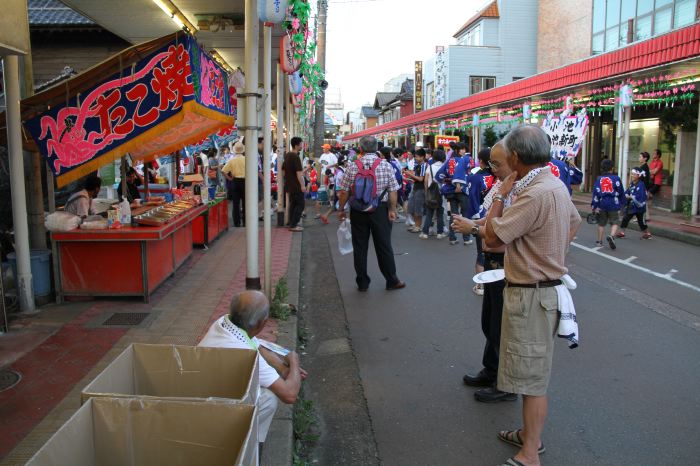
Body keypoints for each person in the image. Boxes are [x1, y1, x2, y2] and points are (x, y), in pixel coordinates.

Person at [453, 126, 581, 466]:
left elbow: (494, 240)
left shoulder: (532, 193)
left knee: (532, 378)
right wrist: (552, 253)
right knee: (529, 372)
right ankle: (528, 435)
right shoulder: (553, 184)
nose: (501, 162)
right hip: (542, 289)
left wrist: (498, 196)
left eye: (505, 155)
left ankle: (530, 451)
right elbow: (575, 222)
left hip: (531, 294)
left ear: (516, 157)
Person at [199, 290, 304, 449]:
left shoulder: (224, 322)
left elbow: (256, 343)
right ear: (263, 323)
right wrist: (294, 361)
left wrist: (282, 369)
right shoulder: (246, 354)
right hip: (214, 410)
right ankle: (245, 443)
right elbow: (289, 395)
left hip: (204, 391)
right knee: (268, 398)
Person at [454, 141, 516, 402]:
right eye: (491, 163)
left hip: (507, 265)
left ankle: (506, 383)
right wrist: (474, 223)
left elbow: (500, 233)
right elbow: (490, 218)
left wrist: (474, 228)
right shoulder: (501, 185)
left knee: (502, 326)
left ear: (516, 160)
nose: (492, 168)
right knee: (490, 321)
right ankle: (491, 370)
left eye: (496, 163)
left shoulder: (525, 189)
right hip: (493, 262)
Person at [337, 136, 405, 292]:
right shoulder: (385, 165)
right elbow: (393, 190)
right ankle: (391, 280)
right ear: (377, 149)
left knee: (360, 246)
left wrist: (341, 209)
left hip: (358, 210)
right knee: (384, 245)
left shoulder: (353, 166)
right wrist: (392, 210)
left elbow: (344, 191)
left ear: (360, 149)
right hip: (380, 209)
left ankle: (362, 282)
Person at [466, 147, 495, 295]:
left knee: (482, 252)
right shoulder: (501, 178)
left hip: (481, 217)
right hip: (500, 217)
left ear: (481, 161)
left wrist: (471, 220)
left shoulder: (475, 177)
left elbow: (472, 200)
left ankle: (481, 286)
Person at [436, 142, 472, 245]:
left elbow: (440, 175)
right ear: (457, 150)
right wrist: (459, 185)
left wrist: (446, 182)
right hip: (462, 190)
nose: (464, 151)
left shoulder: (449, 161)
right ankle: (466, 238)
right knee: (465, 214)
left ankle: (452, 237)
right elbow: (465, 173)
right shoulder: (464, 160)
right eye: (462, 149)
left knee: (454, 214)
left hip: (451, 191)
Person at [591, 158, 625, 249]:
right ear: (612, 168)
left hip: (602, 202)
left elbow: (595, 193)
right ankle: (611, 236)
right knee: (615, 222)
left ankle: (599, 241)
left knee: (601, 223)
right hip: (613, 202)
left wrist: (594, 206)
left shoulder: (599, 179)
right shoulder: (616, 178)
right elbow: (621, 191)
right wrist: (623, 204)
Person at [617, 168, 652, 240]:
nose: (632, 175)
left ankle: (647, 233)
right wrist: (626, 195)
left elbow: (642, 197)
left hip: (640, 207)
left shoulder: (641, 185)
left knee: (641, 222)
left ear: (638, 175)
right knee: (625, 218)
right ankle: (622, 232)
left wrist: (631, 197)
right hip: (632, 206)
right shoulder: (632, 184)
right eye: (632, 174)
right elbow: (627, 191)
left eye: (633, 174)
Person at [419, 149, 446, 240]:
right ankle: (440, 233)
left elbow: (426, 181)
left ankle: (425, 233)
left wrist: (427, 192)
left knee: (429, 214)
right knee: (440, 214)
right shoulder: (444, 167)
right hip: (441, 193)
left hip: (431, 193)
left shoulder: (430, 167)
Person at [282, 137, 306, 232]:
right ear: (296, 145)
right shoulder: (295, 157)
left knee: (293, 204)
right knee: (300, 204)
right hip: (296, 186)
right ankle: (293, 225)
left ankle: (291, 222)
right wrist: (302, 185)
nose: (302, 146)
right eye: (301, 144)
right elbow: (299, 173)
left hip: (289, 184)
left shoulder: (288, 155)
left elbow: (283, 170)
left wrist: (287, 179)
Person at [222, 141, 247, 228]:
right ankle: (245, 222)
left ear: (235, 150)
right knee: (245, 203)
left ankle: (237, 223)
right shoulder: (246, 159)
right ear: (243, 150)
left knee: (235, 204)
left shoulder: (231, 160)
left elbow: (223, 171)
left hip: (235, 182)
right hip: (245, 182)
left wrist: (229, 178)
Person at [404, 149, 427, 233]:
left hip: (421, 189)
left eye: (417, 157)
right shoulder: (417, 165)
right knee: (411, 207)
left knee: (418, 208)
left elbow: (421, 179)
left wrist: (409, 174)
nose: (415, 158)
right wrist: (408, 175)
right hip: (415, 187)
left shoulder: (424, 165)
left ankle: (418, 226)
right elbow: (415, 178)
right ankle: (416, 224)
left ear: (422, 157)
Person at [647, 148, 663, 217]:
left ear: (658, 155)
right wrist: (651, 171)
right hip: (651, 181)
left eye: (654, 154)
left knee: (648, 195)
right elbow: (649, 171)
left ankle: (647, 211)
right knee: (648, 196)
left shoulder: (660, 162)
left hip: (657, 182)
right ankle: (648, 210)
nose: (653, 155)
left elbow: (655, 171)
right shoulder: (652, 162)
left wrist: (651, 171)